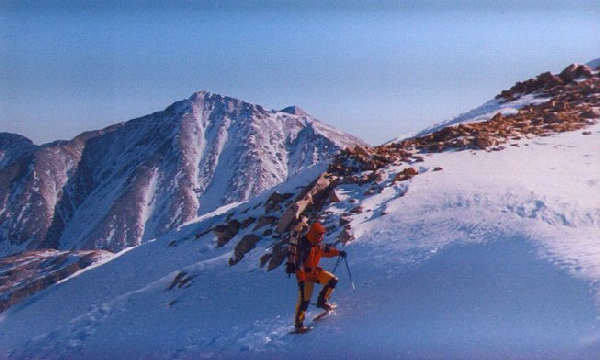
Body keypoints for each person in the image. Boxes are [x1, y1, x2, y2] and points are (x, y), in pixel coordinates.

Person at [294, 222, 346, 333]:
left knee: (332, 280)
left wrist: (339, 253)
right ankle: (299, 325)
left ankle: (322, 301)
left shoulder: (317, 244)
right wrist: (301, 279)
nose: (321, 237)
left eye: (322, 235)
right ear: (313, 234)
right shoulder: (303, 246)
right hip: (306, 276)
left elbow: (326, 251)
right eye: (319, 235)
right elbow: (298, 265)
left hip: (315, 272)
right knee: (304, 300)